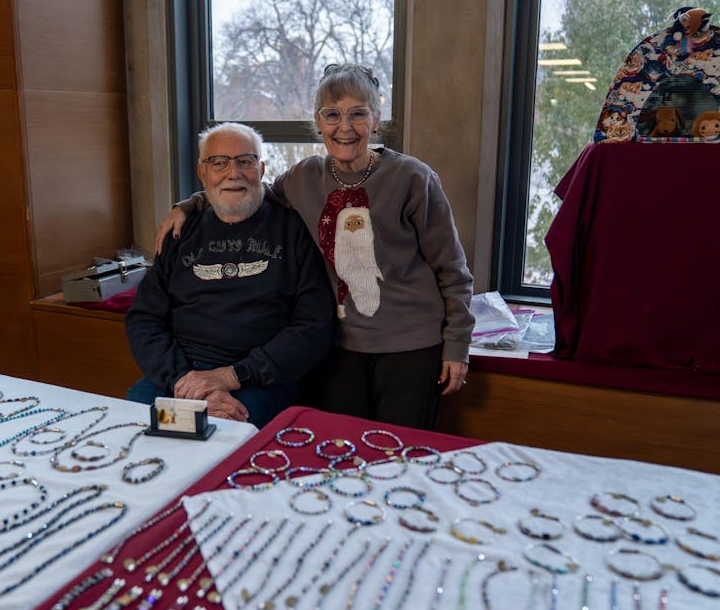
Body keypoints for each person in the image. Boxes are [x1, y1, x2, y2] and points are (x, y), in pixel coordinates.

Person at [157, 64, 475, 430]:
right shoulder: (303, 177)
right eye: (332, 115)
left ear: (376, 119)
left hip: (411, 345)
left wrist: (457, 344)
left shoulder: (413, 178)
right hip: (338, 348)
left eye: (358, 114)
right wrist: (190, 204)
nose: (345, 127)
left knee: (398, 450)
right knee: (337, 447)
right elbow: (247, 191)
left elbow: (452, 270)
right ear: (318, 122)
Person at [126, 122, 334, 428]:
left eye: (245, 161)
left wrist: (232, 376)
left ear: (261, 170)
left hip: (257, 380)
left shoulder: (294, 231)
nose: (233, 173)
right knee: (135, 424)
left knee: (216, 432)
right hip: (180, 378)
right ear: (203, 174)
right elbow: (143, 319)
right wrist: (184, 380)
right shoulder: (179, 233)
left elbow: (313, 327)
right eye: (219, 163)